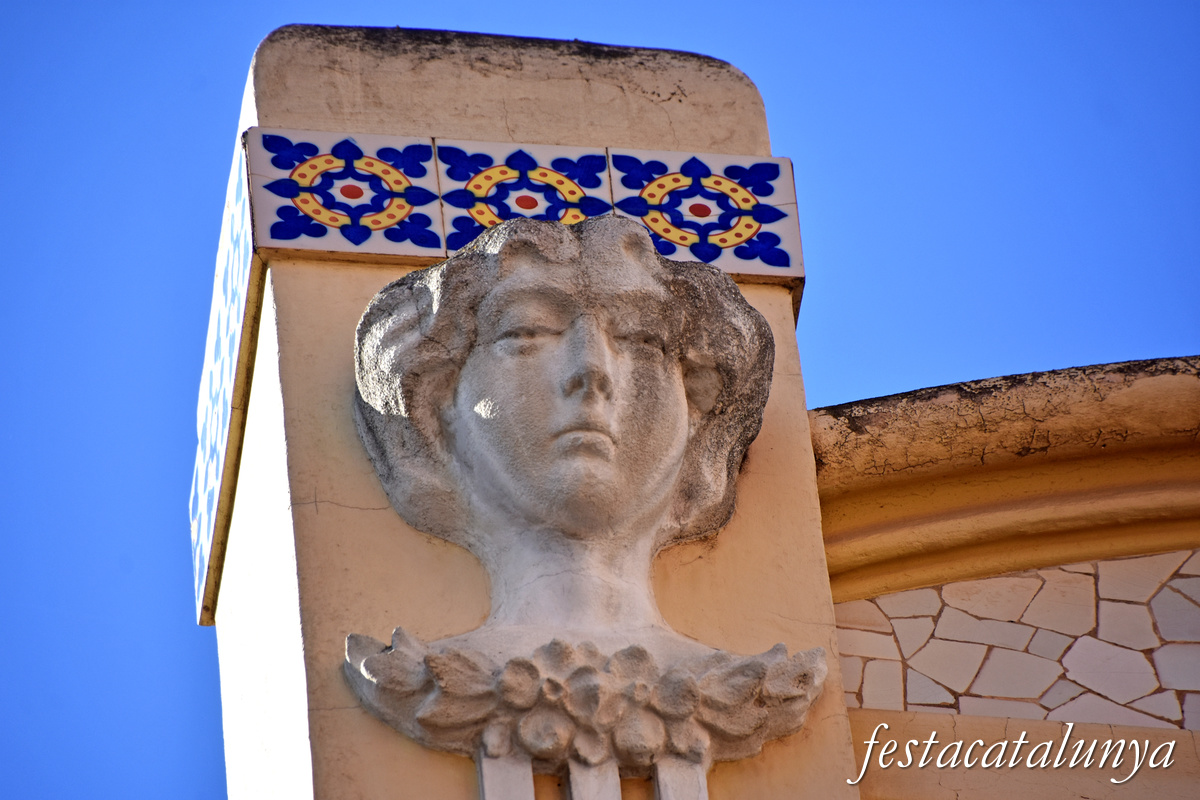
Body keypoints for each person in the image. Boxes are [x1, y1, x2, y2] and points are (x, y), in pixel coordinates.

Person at [353, 214, 774, 664]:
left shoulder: (762, 688)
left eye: (641, 338)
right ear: (437, 402)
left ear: (698, 408)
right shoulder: (411, 679)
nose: (591, 369)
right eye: (526, 331)